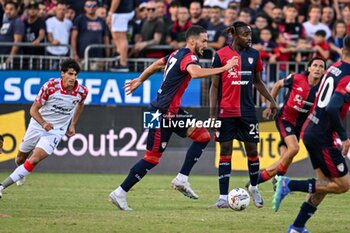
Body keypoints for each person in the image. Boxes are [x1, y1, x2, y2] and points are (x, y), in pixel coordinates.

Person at [109, 25, 237, 211]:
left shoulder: (176, 53)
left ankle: (181, 179)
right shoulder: (189, 57)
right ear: (192, 41)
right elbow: (195, 73)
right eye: (204, 41)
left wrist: (139, 79)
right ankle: (119, 193)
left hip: (171, 111)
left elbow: (157, 65)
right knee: (152, 158)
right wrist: (225, 67)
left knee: (202, 136)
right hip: (160, 112)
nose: (206, 44)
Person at [273, 35, 350, 233]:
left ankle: (297, 227)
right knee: (342, 185)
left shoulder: (334, 67)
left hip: (311, 128)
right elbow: (333, 108)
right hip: (323, 135)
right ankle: (289, 185)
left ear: (342, 50)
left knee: (323, 184)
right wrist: (344, 136)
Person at [208, 21, 277, 209]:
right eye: (245, 34)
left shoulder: (254, 55)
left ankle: (254, 187)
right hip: (226, 112)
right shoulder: (221, 55)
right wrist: (213, 115)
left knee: (253, 151)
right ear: (235, 35)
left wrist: (272, 100)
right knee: (225, 151)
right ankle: (223, 197)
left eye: (250, 34)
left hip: (247, 112)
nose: (249, 38)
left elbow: (257, 81)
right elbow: (214, 86)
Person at [0, 59, 88, 199]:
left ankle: (1, 186)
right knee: (20, 158)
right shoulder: (50, 86)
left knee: (34, 159)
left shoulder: (82, 91)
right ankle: (20, 172)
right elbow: (33, 110)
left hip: (56, 131)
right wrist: (43, 123)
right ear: (62, 73)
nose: (73, 78)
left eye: (75, 74)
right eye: (70, 74)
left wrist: (72, 124)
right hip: (38, 124)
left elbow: (81, 105)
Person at [254, 57, 326, 187]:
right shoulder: (297, 78)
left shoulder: (323, 88)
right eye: (315, 65)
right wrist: (271, 105)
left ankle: (259, 179)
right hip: (285, 118)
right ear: (309, 68)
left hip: (301, 125)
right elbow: (277, 85)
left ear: (324, 71)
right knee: (294, 148)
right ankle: (271, 177)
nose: (318, 69)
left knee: (286, 155)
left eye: (321, 66)